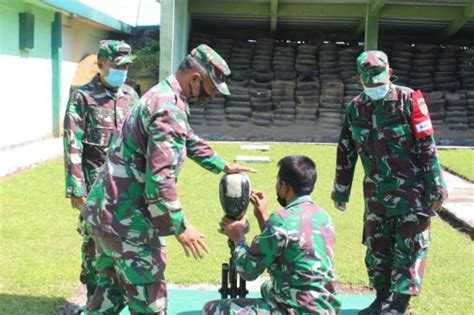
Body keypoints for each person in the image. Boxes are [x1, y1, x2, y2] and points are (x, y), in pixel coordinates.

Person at [80, 44, 255, 314]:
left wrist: (222, 165)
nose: (209, 98)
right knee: (151, 303)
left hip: (105, 216)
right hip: (129, 224)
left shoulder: (162, 96)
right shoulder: (168, 108)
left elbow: (187, 139)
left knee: (109, 295)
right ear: (195, 79)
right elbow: (160, 179)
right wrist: (180, 227)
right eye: (210, 91)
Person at [331, 50, 448, 314]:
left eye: (379, 80)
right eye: (368, 82)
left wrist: (436, 184)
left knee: (409, 247)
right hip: (375, 197)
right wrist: (341, 190)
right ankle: (381, 298)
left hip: (411, 194)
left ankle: (399, 303)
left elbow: (426, 145)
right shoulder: (355, 108)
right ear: (358, 79)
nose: (374, 86)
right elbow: (345, 150)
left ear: (390, 74)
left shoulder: (410, 100)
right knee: (377, 251)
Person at [204, 155, 341, 315]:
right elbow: (283, 247)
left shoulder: (281, 220)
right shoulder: (324, 217)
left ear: (285, 186)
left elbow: (248, 271)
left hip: (297, 310)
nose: (277, 187)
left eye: (278, 182)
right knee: (267, 288)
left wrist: (238, 237)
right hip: (326, 308)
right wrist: (262, 216)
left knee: (212, 309)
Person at [63, 39, 139, 300]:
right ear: (100, 64)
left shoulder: (131, 96)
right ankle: (93, 294)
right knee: (94, 243)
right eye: (117, 66)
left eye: (126, 66)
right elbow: (73, 143)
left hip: (127, 189)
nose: (122, 71)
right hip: (95, 187)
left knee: (127, 240)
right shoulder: (83, 97)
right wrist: (76, 188)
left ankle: (118, 295)